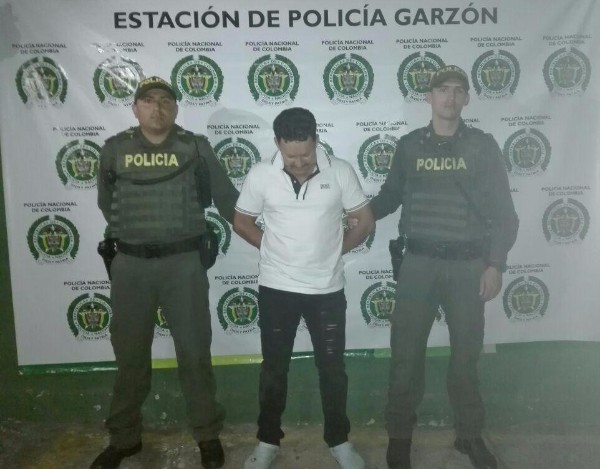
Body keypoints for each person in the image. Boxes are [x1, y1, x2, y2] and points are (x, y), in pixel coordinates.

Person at [369, 65, 518, 469]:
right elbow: (389, 197)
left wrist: (496, 265)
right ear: (429, 97)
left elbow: (505, 214)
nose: (449, 97)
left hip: (469, 267)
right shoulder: (409, 146)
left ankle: (469, 435)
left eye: (457, 90)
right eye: (442, 90)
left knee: (466, 357)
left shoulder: (482, 147)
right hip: (418, 265)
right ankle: (400, 437)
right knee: (406, 356)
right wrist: (353, 214)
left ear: (466, 98)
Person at [92, 76, 239, 469]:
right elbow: (107, 203)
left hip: (183, 265)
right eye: (147, 100)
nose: (156, 108)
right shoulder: (114, 149)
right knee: (130, 357)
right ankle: (124, 439)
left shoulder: (196, 147)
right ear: (135, 108)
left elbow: (227, 199)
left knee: (194, 354)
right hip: (131, 267)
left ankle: (207, 435)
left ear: (175, 107)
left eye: (164, 100)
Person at [233, 107, 375, 469]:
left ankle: (339, 441)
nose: (298, 163)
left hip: (326, 291)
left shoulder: (339, 171)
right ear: (277, 143)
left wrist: (335, 249)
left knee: (332, 369)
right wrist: (272, 249)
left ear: (316, 139)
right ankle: (267, 441)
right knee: (273, 369)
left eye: (306, 154)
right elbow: (242, 222)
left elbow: (363, 221)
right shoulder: (261, 174)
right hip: (276, 289)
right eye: (290, 155)